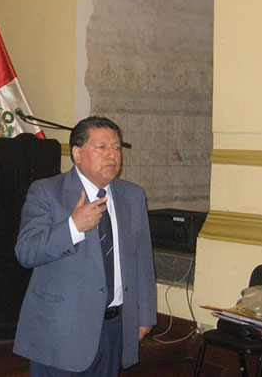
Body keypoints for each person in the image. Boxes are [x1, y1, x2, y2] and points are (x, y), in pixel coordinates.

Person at [14, 116, 156, 377]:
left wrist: (145, 315)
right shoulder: (47, 192)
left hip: (114, 327)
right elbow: (26, 251)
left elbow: (143, 260)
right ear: (77, 154)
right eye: (101, 147)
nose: (112, 155)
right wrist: (72, 227)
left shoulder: (132, 195)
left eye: (116, 147)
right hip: (61, 330)